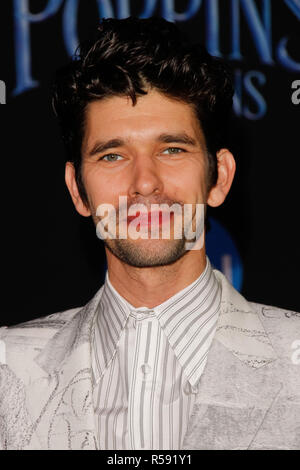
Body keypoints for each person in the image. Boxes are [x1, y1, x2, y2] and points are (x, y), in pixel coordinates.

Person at [0, 16, 299, 451]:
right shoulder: (8, 368)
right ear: (77, 191)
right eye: (112, 156)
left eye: (172, 149)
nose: (145, 182)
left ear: (220, 178)